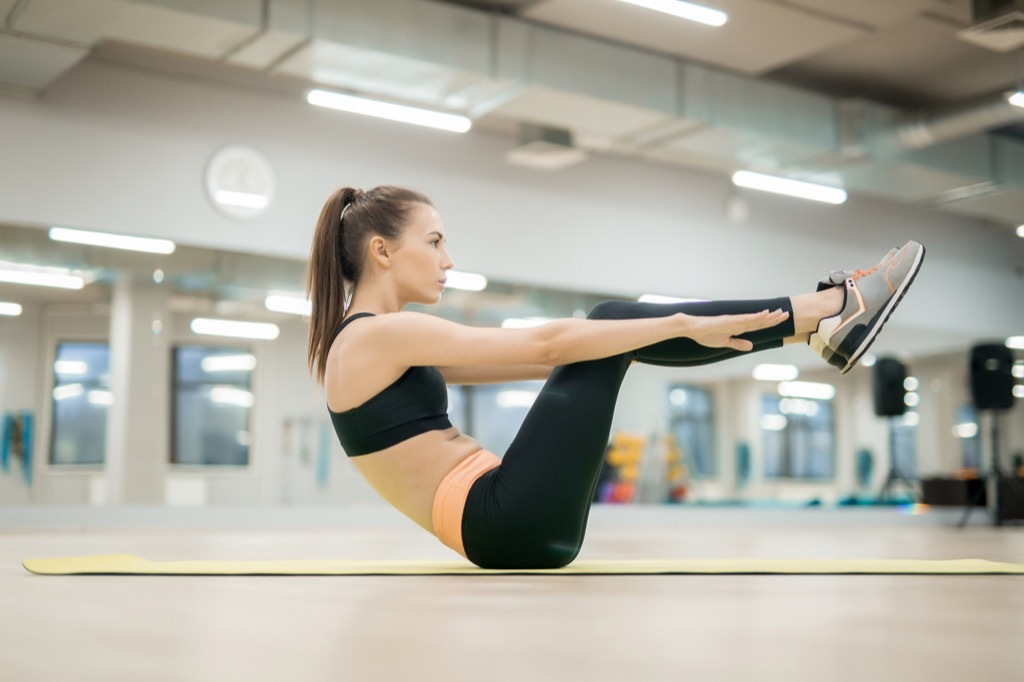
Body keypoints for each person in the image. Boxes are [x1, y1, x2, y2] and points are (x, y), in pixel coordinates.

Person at [306, 185, 925, 569]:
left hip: (506, 525)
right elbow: (550, 341)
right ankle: (826, 309)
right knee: (607, 323)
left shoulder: (372, 342)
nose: (448, 261)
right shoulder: (378, 334)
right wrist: (677, 320)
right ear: (382, 251)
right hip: (503, 520)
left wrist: (650, 334)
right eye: (435, 242)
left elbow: (553, 356)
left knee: (608, 333)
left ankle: (816, 321)